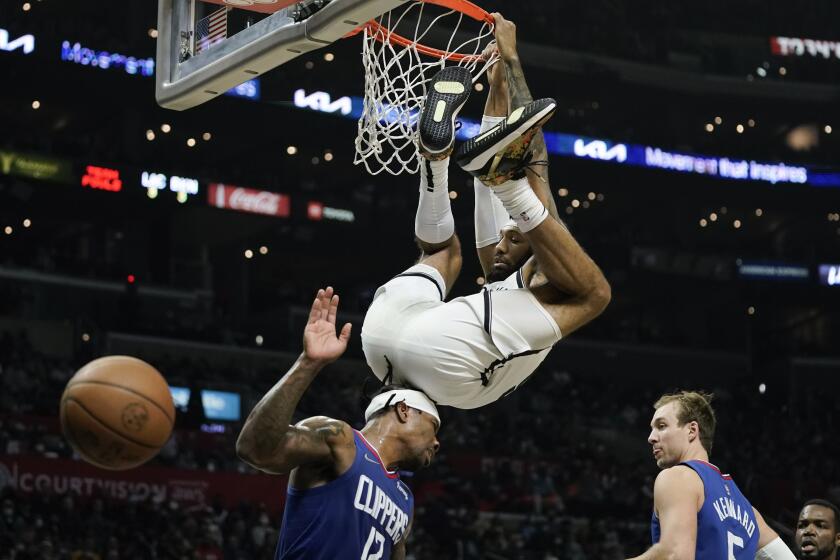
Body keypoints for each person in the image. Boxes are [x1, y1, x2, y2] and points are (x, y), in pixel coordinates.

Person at [360, 12, 611, 409]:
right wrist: (502, 72)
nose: (499, 247)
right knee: (595, 295)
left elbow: (530, 157)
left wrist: (511, 63)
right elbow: (512, 156)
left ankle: (437, 162)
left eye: (513, 241)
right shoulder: (508, 282)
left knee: (456, 242)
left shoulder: (537, 275)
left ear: (536, 253)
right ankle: (438, 162)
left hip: (395, 333)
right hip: (385, 346)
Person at [236, 286, 441, 560]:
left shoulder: (405, 500)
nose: (437, 442)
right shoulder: (341, 440)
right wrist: (309, 363)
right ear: (404, 411)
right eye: (433, 425)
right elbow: (254, 449)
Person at [631, 391, 796, 560]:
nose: (651, 437)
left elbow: (675, 555)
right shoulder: (749, 511)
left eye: (661, 426)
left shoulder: (678, 478)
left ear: (692, 430)